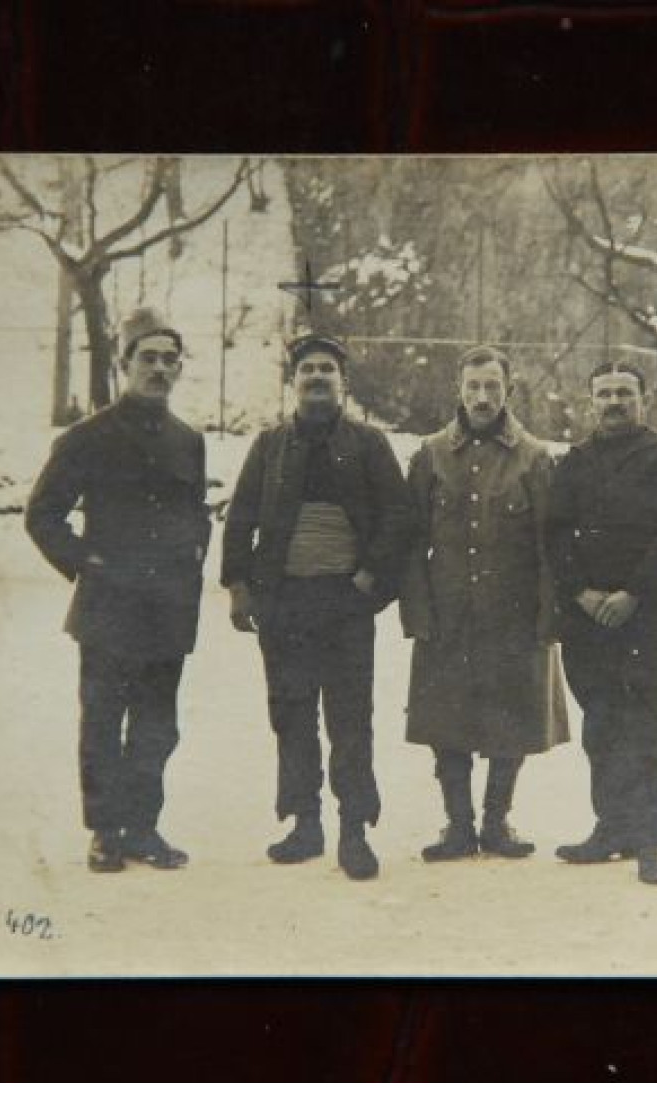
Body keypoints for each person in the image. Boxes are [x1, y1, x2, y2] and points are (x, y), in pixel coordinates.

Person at [222, 334, 415, 882]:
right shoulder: (270, 447)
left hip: (345, 604)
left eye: (327, 369)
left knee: (351, 719)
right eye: (307, 369)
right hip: (285, 605)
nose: (317, 377)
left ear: (344, 384)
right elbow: (240, 520)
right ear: (293, 381)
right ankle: (304, 824)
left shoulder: (369, 445)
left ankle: (355, 830)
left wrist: (370, 575)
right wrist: (239, 584)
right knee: (292, 715)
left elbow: (399, 518)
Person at [26, 306, 211, 873]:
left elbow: (194, 511)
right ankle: (106, 831)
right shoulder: (87, 437)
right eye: (148, 358)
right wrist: (87, 563)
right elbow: (43, 515)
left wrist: (194, 550)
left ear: (179, 369)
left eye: (169, 360)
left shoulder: (188, 441)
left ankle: (144, 829)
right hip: (110, 608)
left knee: (158, 724)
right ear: (124, 364)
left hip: (168, 609)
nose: (159, 368)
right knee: (104, 720)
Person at [399, 346, 569, 861]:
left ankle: (497, 822)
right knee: (446, 719)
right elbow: (409, 543)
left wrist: (548, 614)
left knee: (511, 717)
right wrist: (417, 611)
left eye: (492, 386)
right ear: (458, 390)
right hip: (448, 614)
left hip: (513, 616)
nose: (482, 397)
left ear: (508, 392)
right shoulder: (429, 454)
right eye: (473, 386)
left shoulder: (535, 457)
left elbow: (551, 544)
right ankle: (457, 825)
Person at [546, 362, 657, 886]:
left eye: (624, 393)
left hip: (645, 613)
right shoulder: (575, 462)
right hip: (586, 617)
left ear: (642, 400)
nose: (613, 402)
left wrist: (632, 593)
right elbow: (556, 534)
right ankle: (611, 827)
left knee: (649, 723)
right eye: (603, 393)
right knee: (602, 724)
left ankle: (653, 839)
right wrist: (582, 592)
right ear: (591, 402)